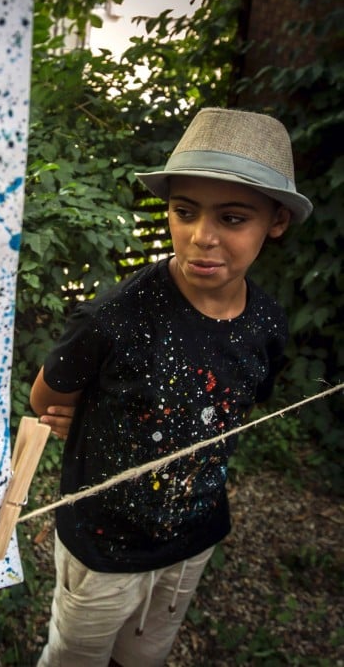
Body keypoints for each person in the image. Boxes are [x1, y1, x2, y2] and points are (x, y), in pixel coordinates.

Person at [30, 107, 313, 667]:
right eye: (184, 212)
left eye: (233, 219)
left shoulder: (267, 322)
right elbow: (47, 399)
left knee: (147, 652)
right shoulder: (115, 317)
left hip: (193, 535)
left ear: (276, 221)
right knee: (77, 655)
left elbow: (236, 404)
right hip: (104, 542)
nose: (202, 237)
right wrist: (83, 413)